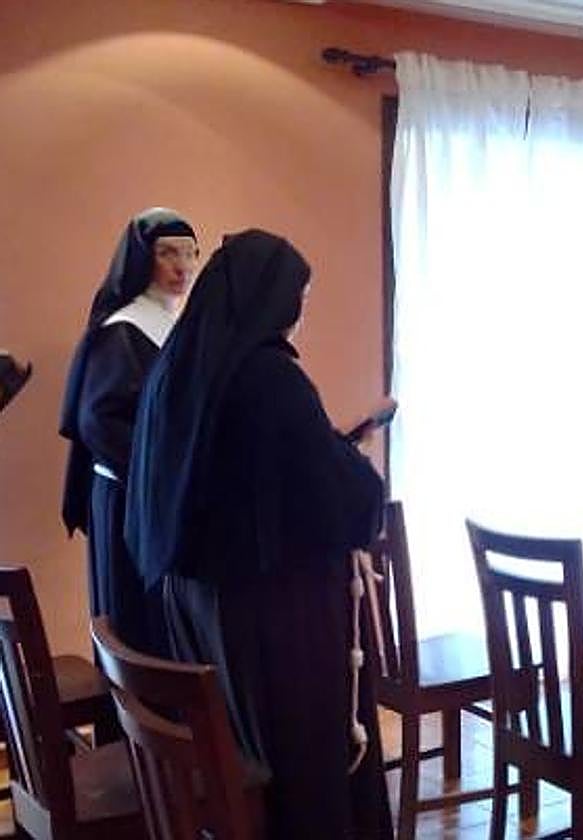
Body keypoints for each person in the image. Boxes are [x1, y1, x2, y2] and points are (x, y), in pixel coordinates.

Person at [124, 229, 390, 839]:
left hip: (202, 601)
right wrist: (358, 474)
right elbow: (341, 496)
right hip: (275, 615)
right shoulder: (269, 376)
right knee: (301, 764)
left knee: (245, 742)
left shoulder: (182, 363)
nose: (300, 313)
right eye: (300, 296)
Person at [59, 207, 199, 655]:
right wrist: (160, 470)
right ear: (143, 260)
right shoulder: (122, 330)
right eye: (167, 254)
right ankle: (137, 723)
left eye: (190, 254)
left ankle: (172, 720)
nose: (182, 267)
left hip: (163, 496)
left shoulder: (180, 324)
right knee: (133, 622)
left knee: (167, 623)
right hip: (128, 498)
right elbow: (98, 421)